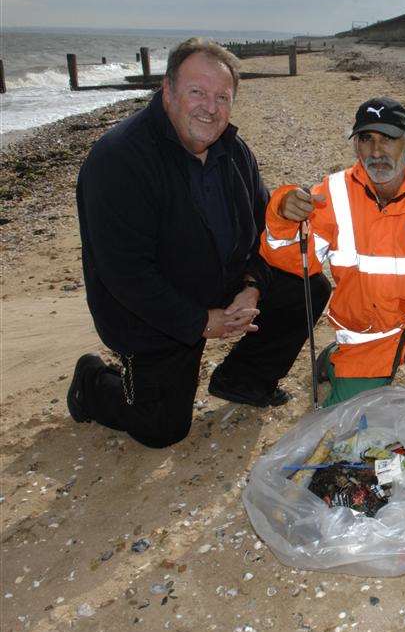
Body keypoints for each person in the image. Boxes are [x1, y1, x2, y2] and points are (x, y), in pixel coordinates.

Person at [69, 38, 331, 448]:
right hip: (152, 314)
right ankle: (91, 381)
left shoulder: (234, 151)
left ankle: (243, 380)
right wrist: (201, 322)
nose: (210, 107)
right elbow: (126, 275)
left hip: (220, 282)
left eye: (222, 97)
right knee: (161, 429)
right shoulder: (119, 160)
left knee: (308, 286)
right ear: (168, 91)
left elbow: (262, 229)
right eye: (197, 92)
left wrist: (252, 285)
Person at [260, 97, 405, 409]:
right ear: (356, 147)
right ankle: (334, 359)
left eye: (388, 139)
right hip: (367, 333)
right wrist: (282, 216)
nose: (376, 152)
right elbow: (293, 261)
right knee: (348, 418)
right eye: (366, 139)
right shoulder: (331, 192)